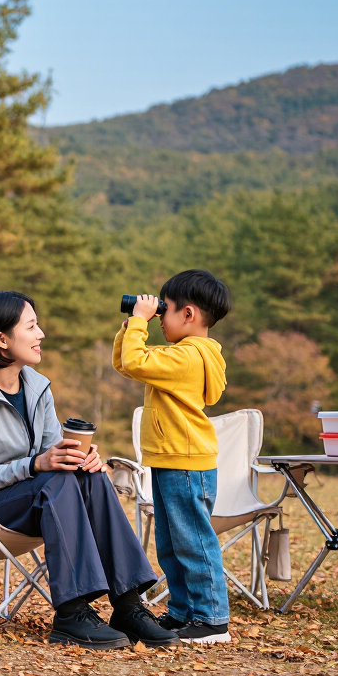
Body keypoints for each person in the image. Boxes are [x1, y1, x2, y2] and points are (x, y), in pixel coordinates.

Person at [0, 291, 177, 650]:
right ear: (1, 339)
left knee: (89, 474)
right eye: (31, 326)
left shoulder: (36, 385)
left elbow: (54, 455)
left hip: (36, 501)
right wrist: (37, 464)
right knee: (56, 478)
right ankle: (71, 613)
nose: (41, 334)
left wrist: (81, 458)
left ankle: (127, 605)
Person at [112, 269, 232, 644]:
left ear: (189, 315)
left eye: (164, 311)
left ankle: (213, 619)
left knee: (194, 542)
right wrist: (131, 324)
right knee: (171, 544)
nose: (159, 319)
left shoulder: (190, 357)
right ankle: (183, 612)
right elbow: (125, 362)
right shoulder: (185, 355)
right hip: (170, 460)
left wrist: (138, 323)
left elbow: (136, 362)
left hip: (185, 463)